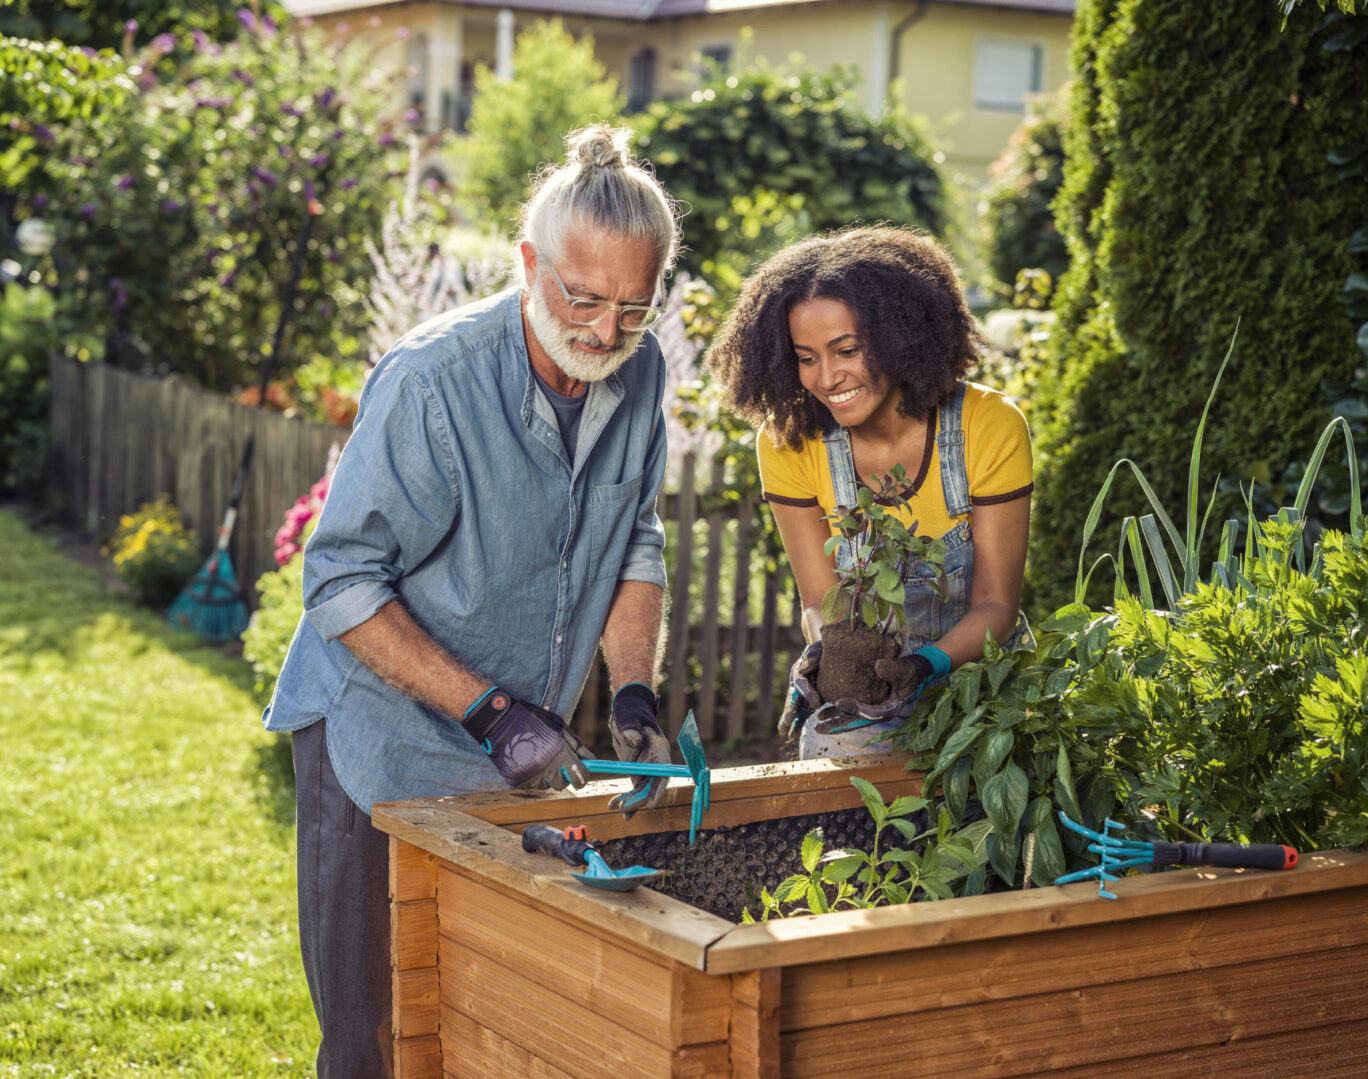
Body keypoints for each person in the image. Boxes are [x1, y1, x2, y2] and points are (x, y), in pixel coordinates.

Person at [261, 124, 682, 1078]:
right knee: (373, 1032)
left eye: (634, 306)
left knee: (480, 1014)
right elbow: (339, 579)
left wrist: (631, 695)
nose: (605, 331)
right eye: (582, 296)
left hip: (510, 751)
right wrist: (490, 710)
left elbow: (635, 535)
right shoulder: (432, 384)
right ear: (528, 261)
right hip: (373, 735)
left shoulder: (637, 371)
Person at [708, 226, 1033, 760]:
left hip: (985, 695)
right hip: (867, 700)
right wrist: (826, 648)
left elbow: (996, 605)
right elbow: (819, 599)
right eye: (805, 357)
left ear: (899, 336)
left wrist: (924, 666)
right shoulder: (790, 444)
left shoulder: (987, 426)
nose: (827, 377)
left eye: (848, 350)